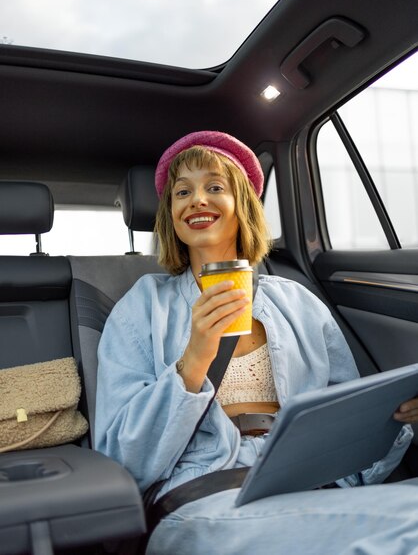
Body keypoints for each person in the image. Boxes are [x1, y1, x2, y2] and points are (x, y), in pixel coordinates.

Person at [95, 130, 418, 555]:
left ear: (243, 204)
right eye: (182, 192)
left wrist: (397, 423)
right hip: (205, 496)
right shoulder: (143, 306)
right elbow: (120, 460)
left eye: (214, 187)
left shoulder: (299, 301)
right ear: (170, 214)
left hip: (313, 488)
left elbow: (348, 437)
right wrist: (192, 361)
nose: (196, 200)